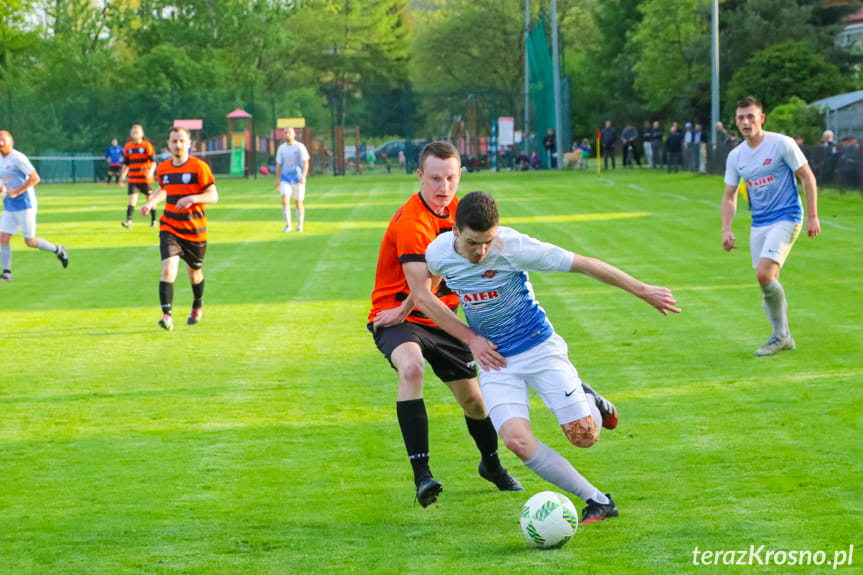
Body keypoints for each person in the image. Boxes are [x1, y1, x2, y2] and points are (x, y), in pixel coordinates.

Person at [410, 190, 680, 523]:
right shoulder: (438, 251)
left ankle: (590, 400)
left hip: (538, 348)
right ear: (454, 230)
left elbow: (583, 264)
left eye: (487, 242)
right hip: (496, 361)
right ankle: (597, 500)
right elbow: (426, 289)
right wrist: (466, 337)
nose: (481, 252)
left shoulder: (514, 247)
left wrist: (643, 290)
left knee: (584, 438)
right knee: (516, 441)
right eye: (472, 243)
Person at [368, 141, 523, 508]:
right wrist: (407, 311)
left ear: (460, 176)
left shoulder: (461, 213)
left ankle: (492, 465)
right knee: (411, 367)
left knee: (474, 402)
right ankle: (422, 476)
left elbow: (452, 269)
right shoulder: (412, 222)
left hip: (444, 317)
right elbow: (421, 293)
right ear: (420, 175)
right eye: (435, 178)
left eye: (451, 177)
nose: (443, 186)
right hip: (397, 315)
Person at [721, 96, 820, 356]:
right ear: (736, 121)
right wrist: (726, 230)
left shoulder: (781, 144)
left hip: (787, 215)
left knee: (764, 274)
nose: (746, 122)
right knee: (768, 280)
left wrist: (812, 216)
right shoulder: (736, 156)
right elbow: (729, 196)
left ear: (761, 118)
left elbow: (807, 177)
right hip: (760, 222)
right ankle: (783, 336)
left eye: (751, 116)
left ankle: (780, 336)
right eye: (741, 117)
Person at [141, 127, 219, 331]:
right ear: (168, 144)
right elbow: (164, 188)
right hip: (170, 226)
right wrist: (151, 203)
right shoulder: (164, 168)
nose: (178, 145)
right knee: (168, 269)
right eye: (174, 141)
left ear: (189, 143)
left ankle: (197, 304)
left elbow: (213, 196)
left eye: (182, 141)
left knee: (194, 273)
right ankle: (167, 315)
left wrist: (193, 198)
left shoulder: (199, 167)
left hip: (195, 231)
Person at [0, 130, 69, 281]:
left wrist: (17, 191)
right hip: (9, 205)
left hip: (25, 204)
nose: (0, 142)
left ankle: (58, 250)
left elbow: (35, 178)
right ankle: (6, 273)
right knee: (3, 237)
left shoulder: (18, 158)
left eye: (3, 139)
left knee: (30, 242)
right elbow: (5, 181)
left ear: (11, 141)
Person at [119, 124, 157, 228]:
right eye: (133, 132)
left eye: (137, 132)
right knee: (132, 200)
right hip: (133, 178)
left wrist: (150, 172)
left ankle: (154, 220)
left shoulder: (147, 145)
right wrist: (122, 176)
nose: (135, 134)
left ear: (142, 134)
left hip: (145, 178)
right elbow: (126, 164)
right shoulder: (128, 146)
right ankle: (128, 221)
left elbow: (153, 162)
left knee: (150, 199)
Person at [274, 127, 310, 233]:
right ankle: (288, 225)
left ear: (294, 135)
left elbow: (306, 162)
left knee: (298, 203)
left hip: (298, 179)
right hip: (285, 179)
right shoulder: (281, 148)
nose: (287, 135)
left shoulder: (300, 147)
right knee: (285, 200)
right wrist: (277, 180)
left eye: (289, 133)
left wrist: (303, 176)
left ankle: (299, 225)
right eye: (285, 133)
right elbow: (279, 164)